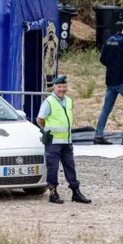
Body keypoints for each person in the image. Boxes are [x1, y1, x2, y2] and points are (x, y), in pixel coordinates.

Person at [36, 75, 92, 204]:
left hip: (67, 141)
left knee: (70, 167)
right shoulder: (49, 102)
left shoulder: (68, 100)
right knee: (53, 168)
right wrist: (48, 130)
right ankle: (53, 193)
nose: (62, 89)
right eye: (59, 87)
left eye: (64, 87)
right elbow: (40, 119)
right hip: (53, 141)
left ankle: (76, 192)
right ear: (54, 87)